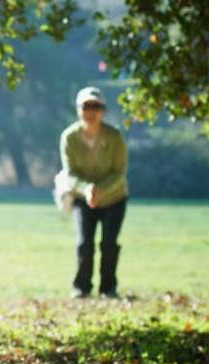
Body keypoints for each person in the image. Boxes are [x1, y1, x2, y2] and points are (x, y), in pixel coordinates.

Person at [55, 86, 128, 299]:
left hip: (114, 198)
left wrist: (100, 191)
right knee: (84, 243)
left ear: (103, 110)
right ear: (79, 109)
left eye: (96, 107)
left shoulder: (114, 137)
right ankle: (81, 287)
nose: (91, 112)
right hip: (82, 197)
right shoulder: (69, 137)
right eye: (86, 107)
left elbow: (119, 173)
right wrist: (86, 189)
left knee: (109, 243)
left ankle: (108, 288)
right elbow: (70, 173)